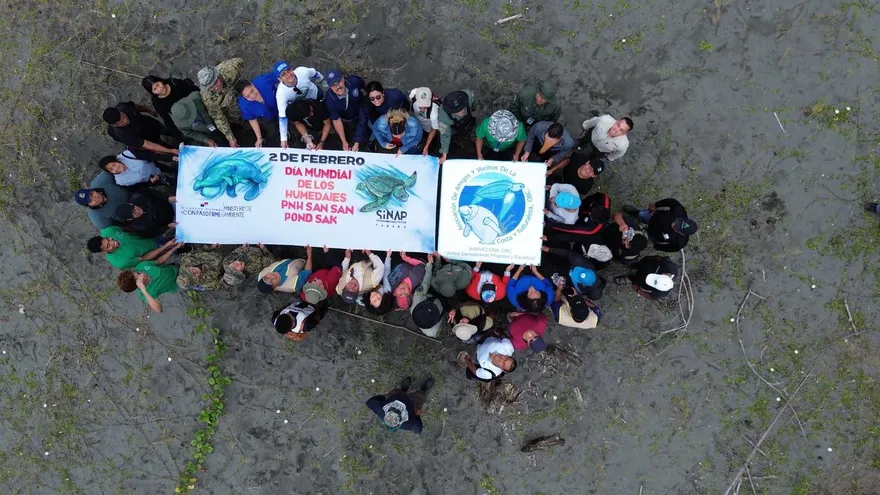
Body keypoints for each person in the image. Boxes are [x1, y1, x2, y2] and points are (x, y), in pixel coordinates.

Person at [102, 102, 180, 162]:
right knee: (162, 146)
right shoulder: (123, 136)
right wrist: (170, 151)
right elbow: (147, 144)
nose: (126, 120)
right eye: (122, 122)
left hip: (151, 124)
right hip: (146, 138)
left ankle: (179, 138)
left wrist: (149, 111)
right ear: (114, 125)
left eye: (123, 116)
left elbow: (136, 107)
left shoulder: (123, 107)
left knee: (168, 131)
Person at [273, 61, 326, 149]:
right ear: (279, 79)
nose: (289, 74)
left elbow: (315, 73)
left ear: (292, 69)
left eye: (289, 70)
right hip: (302, 106)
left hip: (316, 95)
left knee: (323, 107)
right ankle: (308, 137)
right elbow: (282, 117)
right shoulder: (281, 94)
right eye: (284, 74)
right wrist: (283, 139)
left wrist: (322, 81)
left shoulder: (302, 71)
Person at [197, 58, 247, 148]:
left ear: (219, 75)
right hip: (235, 113)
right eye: (210, 87)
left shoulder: (231, 68)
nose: (215, 88)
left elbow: (242, 62)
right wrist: (230, 138)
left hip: (245, 95)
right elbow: (218, 117)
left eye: (216, 82)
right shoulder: (207, 96)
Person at [624, 198, 698, 252]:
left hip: (653, 235)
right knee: (642, 215)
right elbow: (671, 201)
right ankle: (636, 213)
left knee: (637, 235)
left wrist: (658, 246)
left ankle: (629, 226)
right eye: (677, 221)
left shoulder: (680, 242)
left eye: (676, 226)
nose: (673, 223)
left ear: (682, 233)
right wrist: (656, 205)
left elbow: (671, 248)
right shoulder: (679, 210)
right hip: (653, 217)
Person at [365, 376, 434, 434]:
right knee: (419, 398)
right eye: (398, 411)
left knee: (397, 392)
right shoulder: (407, 423)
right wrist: (417, 415)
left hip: (395, 396)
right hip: (411, 404)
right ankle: (423, 390)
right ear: (400, 423)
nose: (398, 408)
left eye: (394, 410)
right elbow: (418, 429)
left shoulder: (380, 410)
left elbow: (370, 402)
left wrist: (384, 397)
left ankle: (403, 390)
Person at [354, 81, 408, 151]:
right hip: (375, 120)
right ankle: (371, 142)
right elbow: (362, 122)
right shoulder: (365, 104)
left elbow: (405, 104)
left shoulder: (395, 95)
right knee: (375, 131)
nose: (376, 100)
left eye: (378, 97)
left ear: (383, 93)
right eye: (372, 98)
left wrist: (402, 116)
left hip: (394, 118)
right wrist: (357, 141)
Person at [141, 75, 199, 140]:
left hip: (197, 106)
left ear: (161, 81)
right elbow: (168, 120)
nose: (159, 89)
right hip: (186, 118)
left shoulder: (174, 83)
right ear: (153, 92)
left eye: (158, 85)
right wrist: (179, 139)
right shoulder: (158, 103)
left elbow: (193, 90)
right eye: (155, 89)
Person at [87, 229, 178, 270]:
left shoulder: (109, 230)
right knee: (179, 246)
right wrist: (165, 247)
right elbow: (144, 258)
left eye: (108, 239)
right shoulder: (121, 262)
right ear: (103, 252)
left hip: (152, 232)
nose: (113, 242)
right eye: (108, 246)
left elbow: (128, 228)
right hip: (156, 248)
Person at [323, 67, 366, 151]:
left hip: (361, 108)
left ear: (343, 79)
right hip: (346, 118)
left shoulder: (354, 81)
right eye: (333, 85)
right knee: (349, 132)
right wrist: (344, 141)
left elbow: (364, 85)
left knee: (364, 125)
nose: (337, 86)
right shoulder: (329, 100)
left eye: (338, 82)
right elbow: (336, 120)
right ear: (329, 86)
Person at [542, 246, 607, 300]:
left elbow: (595, 296)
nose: (572, 274)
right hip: (567, 266)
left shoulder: (595, 292)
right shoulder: (579, 261)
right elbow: (567, 253)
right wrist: (550, 250)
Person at [545, 192, 611, 243]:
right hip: (578, 206)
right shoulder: (603, 199)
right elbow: (595, 196)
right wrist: (581, 203)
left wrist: (551, 226)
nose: (590, 212)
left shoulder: (591, 229)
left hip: (574, 221)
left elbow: (570, 229)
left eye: (591, 216)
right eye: (592, 210)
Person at [234, 74, 280, 147]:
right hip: (267, 117)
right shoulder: (244, 105)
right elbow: (252, 119)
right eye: (247, 96)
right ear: (243, 97)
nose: (252, 96)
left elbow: (280, 76)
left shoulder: (264, 81)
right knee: (273, 135)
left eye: (252, 91)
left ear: (252, 84)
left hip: (282, 106)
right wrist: (259, 138)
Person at [437, 89, 477, 164]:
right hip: (454, 124)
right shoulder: (443, 117)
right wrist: (444, 154)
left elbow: (474, 101)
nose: (461, 111)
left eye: (462, 107)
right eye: (457, 110)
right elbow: (445, 135)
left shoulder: (468, 95)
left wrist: (473, 106)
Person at [615, 255, 679, 300]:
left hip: (642, 282)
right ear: (664, 274)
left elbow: (651, 297)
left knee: (638, 281)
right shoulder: (670, 265)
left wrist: (638, 290)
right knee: (635, 264)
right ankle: (632, 264)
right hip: (647, 265)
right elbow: (660, 258)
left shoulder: (661, 293)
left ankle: (631, 279)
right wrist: (648, 258)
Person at [98, 152, 168, 188]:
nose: (115, 168)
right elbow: (137, 187)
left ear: (115, 160)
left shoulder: (126, 154)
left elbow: (146, 155)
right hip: (155, 180)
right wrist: (150, 183)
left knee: (172, 169)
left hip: (155, 166)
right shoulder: (121, 182)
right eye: (111, 170)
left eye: (114, 164)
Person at [361, 250, 395, 315]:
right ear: (383, 297)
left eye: (374, 300)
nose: (375, 296)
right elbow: (385, 274)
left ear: (370, 303)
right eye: (379, 298)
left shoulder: (362, 294)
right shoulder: (387, 291)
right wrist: (388, 256)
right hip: (376, 270)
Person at [408, 87, 441, 155]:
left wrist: (427, 146)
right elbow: (410, 99)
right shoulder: (414, 92)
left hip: (428, 127)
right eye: (420, 106)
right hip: (418, 122)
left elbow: (433, 129)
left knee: (433, 138)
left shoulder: (433, 114)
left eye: (426, 106)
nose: (422, 109)